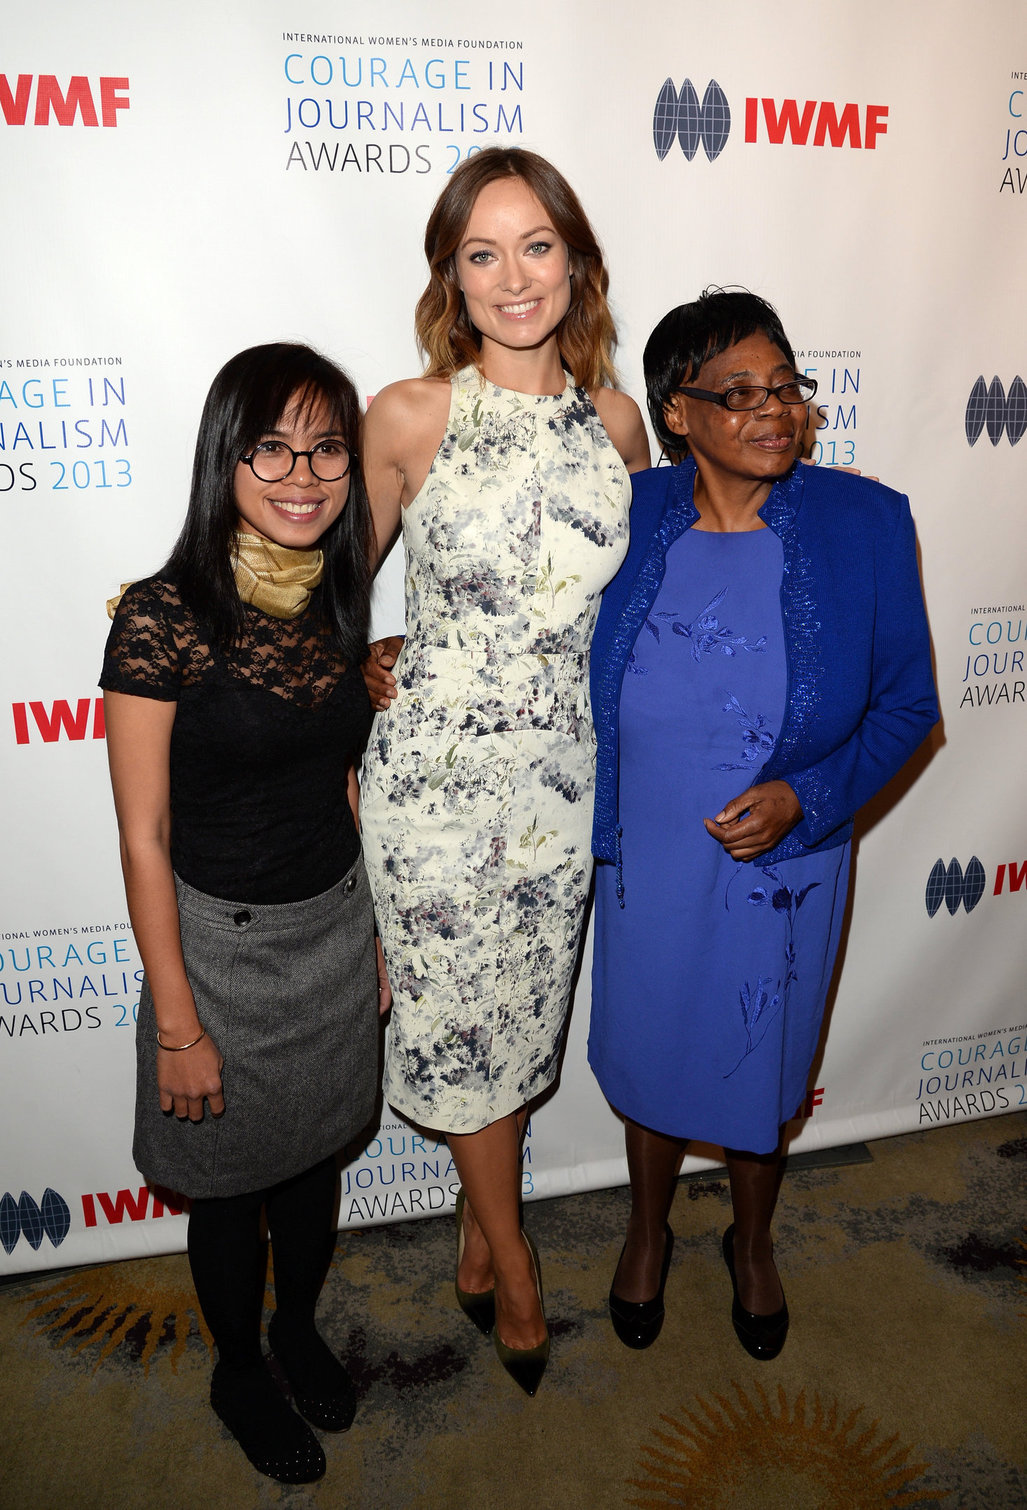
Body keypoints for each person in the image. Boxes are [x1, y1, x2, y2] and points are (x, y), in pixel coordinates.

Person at [588, 289, 939, 1357]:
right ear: (677, 412)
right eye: (736, 392)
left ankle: (750, 1241)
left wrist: (807, 797)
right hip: (646, 851)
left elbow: (907, 706)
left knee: (761, 1060)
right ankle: (645, 1229)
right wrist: (403, 655)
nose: (772, 409)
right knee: (652, 1044)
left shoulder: (864, 522)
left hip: (783, 863)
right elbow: (515, 622)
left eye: (784, 385)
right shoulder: (626, 510)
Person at [359, 147, 650, 1395]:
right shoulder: (405, 414)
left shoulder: (620, 425)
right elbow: (322, 597)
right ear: (452, 278)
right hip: (430, 783)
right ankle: (518, 1263)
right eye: (483, 253)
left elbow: (642, 619)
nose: (513, 275)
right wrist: (363, 653)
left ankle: (479, 1229)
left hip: (560, 781)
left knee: (518, 1023)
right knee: (460, 1017)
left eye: (535, 245)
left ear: (573, 260)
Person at [100, 343, 388, 1484]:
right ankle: (235, 1368)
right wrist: (176, 1021)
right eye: (271, 445)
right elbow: (143, 836)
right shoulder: (161, 618)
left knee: (313, 1162)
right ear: (226, 456)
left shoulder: (339, 596)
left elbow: (346, 783)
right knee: (227, 1190)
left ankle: (295, 1328)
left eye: (325, 447)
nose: (302, 471)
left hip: (332, 924)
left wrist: (376, 935)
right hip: (213, 953)